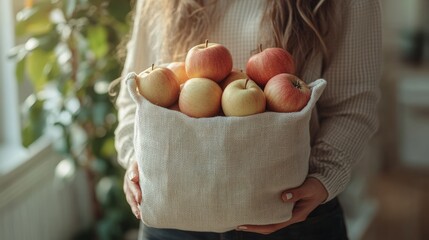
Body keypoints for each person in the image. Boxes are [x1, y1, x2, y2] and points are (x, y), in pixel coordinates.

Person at [113, 0, 382, 239]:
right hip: (172, 216)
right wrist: (135, 160)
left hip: (291, 214)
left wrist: (323, 179)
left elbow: (352, 105)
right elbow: (133, 98)